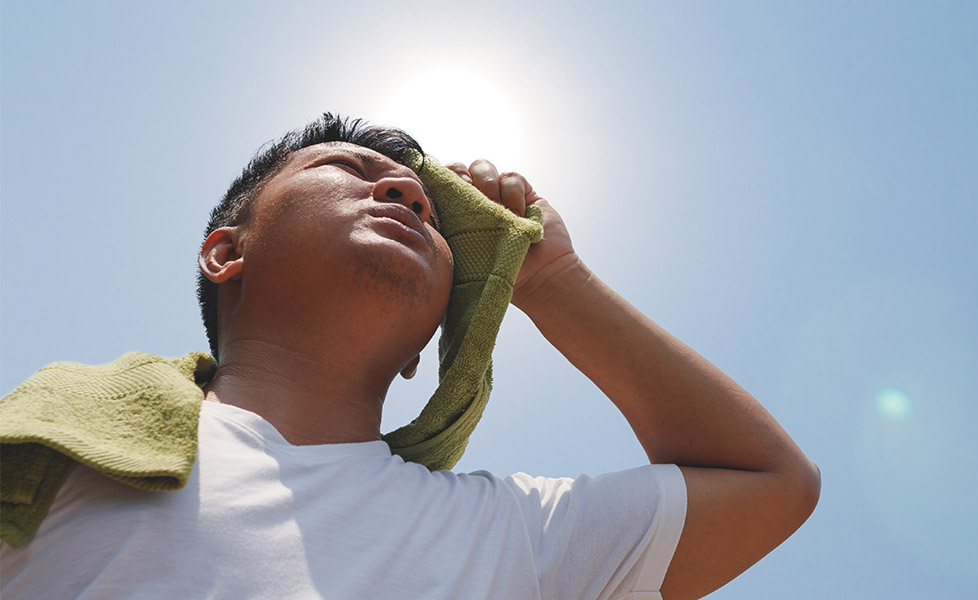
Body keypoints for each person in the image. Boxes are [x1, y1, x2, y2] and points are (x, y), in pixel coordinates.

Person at [0, 114, 819, 599]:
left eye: (428, 210)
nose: (402, 194)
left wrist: (555, 280)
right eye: (347, 171)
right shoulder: (53, 449)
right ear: (226, 253)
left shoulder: (505, 536)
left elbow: (770, 485)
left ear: (423, 352)